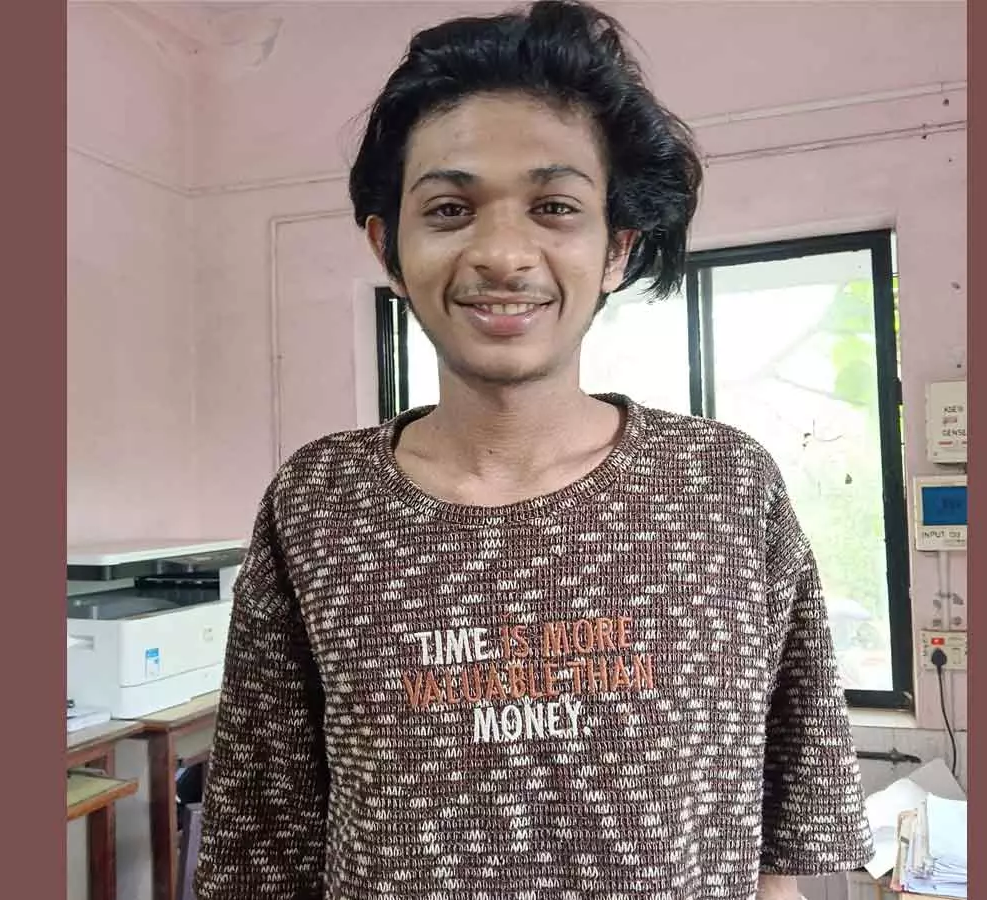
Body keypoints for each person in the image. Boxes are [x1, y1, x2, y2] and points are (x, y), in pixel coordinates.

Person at [193, 2, 873, 898]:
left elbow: (797, 806)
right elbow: (262, 833)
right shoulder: (319, 500)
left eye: (555, 207)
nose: (504, 254)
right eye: (449, 209)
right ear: (388, 247)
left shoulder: (726, 485)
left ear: (616, 248)